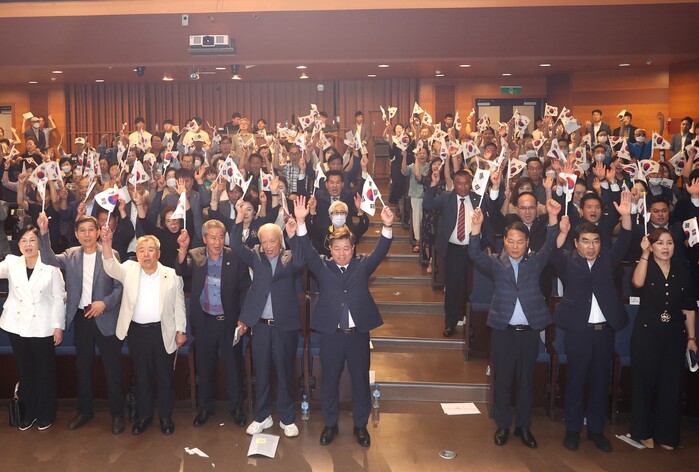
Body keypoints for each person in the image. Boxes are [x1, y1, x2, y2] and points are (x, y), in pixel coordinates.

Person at [288, 196, 394, 447]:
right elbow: (307, 250)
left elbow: (380, 251)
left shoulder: (362, 266)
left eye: (346, 248)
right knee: (330, 381)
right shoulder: (322, 267)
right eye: (337, 249)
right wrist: (301, 222)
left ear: (353, 249)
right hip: (331, 335)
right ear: (331, 250)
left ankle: (360, 425)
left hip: (358, 335)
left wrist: (387, 226)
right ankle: (330, 424)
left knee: (360, 382)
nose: (342, 253)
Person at [469, 199, 561, 449]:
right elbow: (474, 254)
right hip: (503, 332)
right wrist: (476, 227)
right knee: (503, 379)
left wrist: (553, 219)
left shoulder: (535, 262)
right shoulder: (496, 263)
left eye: (520, 241)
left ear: (527, 242)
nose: (515, 246)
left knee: (526, 381)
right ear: (505, 242)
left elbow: (550, 245)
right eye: (511, 241)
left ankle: (523, 426)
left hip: (529, 332)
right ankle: (502, 425)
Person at [552, 190, 632, 452]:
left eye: (595, 241)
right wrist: (561, 232)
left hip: (603, 332)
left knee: (600, 382)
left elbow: (625, 240)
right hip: (578, 332)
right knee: (575, 381)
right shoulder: (568, 261)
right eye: (585, 241)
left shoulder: (607, 259)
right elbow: (552, 254)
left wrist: (626, 216)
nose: (591, 246)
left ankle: (597, 430)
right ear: (576, 243)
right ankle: (573, 429)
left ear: (600, 243)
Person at [37, 213, 125, 434]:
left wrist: (105, 303)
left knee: (112, 368)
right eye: (82, 231)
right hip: (82, 318)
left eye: (91, 230)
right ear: (76, 234)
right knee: (82, 367)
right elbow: (48, 259)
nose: (87, 234)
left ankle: (117, 414)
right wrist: (44, 233)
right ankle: (84, 412)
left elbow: (120, 288)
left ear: (98, 232)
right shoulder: (71, 255)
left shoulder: (110, 253)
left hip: (106, 318)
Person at [100, 230, 187, 436]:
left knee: (165, 376)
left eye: (150, 250)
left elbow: (179, 305)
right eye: (141, 250)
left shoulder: (172, 274)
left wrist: (181, 330)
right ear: (137, 254)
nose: (146, 254)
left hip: (163, 332)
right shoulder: (129, 269)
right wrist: (107, 243)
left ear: (159, 253)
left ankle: (165, 417)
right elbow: (110, 267)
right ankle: (144, 416)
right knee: (141, 376)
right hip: (137, 333)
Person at [231, 199, 303, 438]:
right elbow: (235, 244)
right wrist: (239, 216)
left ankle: (287, 417)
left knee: (285, 372)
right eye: (264, 241)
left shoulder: (290, 257)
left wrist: (293, 236)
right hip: (260, 326)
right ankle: (262, 416)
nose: (268, 246)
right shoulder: (255, 256)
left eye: (273, 241)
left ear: (280, 240)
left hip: (284, 326)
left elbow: (303, 260)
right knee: (261, 372)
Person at [175, 220, 250, 428]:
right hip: (205, 322)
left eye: (221, 237)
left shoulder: (235, 257)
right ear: (205, 238)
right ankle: (205, 407)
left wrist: (244, 317)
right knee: (205, 367)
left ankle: (237, 408)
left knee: (234, 368)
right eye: (213, 237)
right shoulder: (196, 255)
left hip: (229, 322)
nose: (217, 242)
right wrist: (183, 249)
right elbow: (181, 270)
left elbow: (245, 288)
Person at [629, 229, 697, 450]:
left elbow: (689, 307)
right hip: (647, 334)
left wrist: (692, 338)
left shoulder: (683, 271)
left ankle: (667, 435)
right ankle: (642, 432)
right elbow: (637, 283)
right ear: (651, 246)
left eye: (669, 243)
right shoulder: (645, 265)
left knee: (671, 384)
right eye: (659, 243)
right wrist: (644, 254)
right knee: (644, 383)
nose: (665, 247)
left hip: (674, 335)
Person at [0, 225, 66, 431]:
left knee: (44, 372)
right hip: (17, 325)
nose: (28, 245)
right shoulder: (12, 262)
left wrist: (59, 327)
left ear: (39, 243)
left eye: (32, 240)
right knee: (25, 371)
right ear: (18, 244)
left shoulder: (50, 265)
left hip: (42, 325)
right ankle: (29, 412)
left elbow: (59, 298)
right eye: (23, 241)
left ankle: (46, 413)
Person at [423, 169, 501, 337]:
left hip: (475, 250)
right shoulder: (446, 197)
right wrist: (433, 184)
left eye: (466, 183)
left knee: (473, 288)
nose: (463, 187)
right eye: (459, 183)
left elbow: (494, 211)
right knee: (452, 287)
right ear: (454, 184)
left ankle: (472, 324)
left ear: (471, 183)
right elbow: (427, 205)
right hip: (454, 250)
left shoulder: (478, 198)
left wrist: (495, 188)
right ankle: (450, 323)